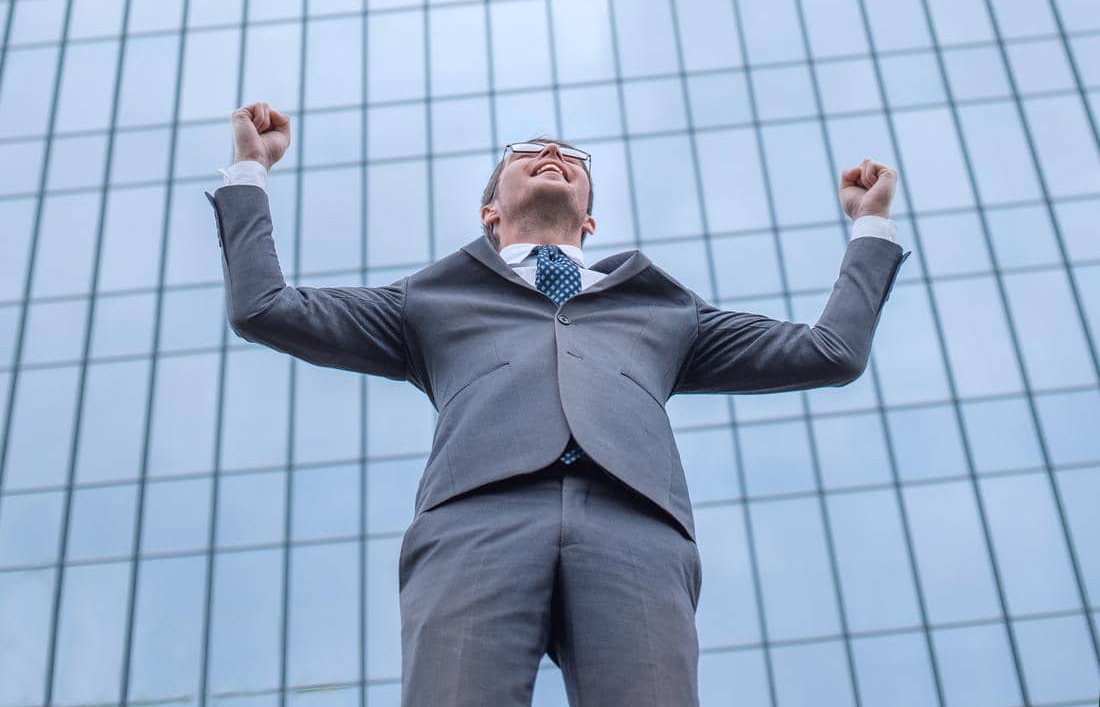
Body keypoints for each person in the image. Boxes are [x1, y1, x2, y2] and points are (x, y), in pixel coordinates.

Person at [206, 102, 909, 707]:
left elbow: (830, 352)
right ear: (490, 211)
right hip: (474, 523)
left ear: (590, 218)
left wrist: (870, 227)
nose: (550, 154)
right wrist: (250, 171)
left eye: (569, 155)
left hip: (635, 529)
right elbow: (266, 308)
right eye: (527, 153)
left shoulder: (665, 307)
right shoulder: (429, 298)